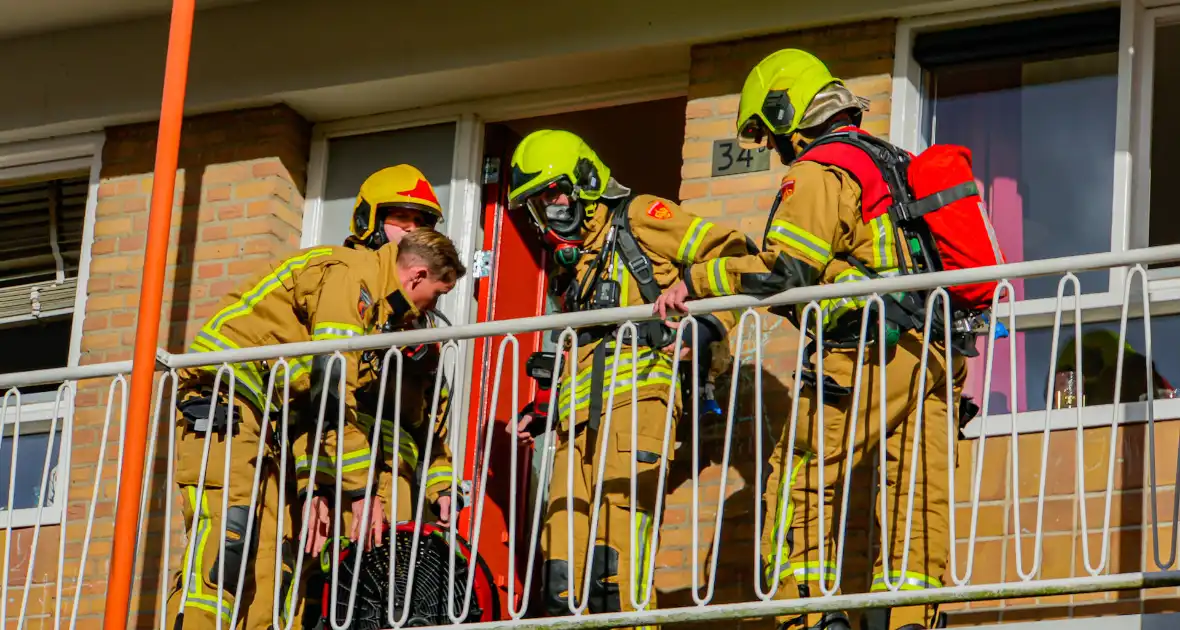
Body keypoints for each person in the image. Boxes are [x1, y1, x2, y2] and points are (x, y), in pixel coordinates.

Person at [654, 49, 977, 630]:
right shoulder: (894, 162)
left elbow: (785, 273)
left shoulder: (820, 170)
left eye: (771, 134)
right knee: (917, 492)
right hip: (934, 353)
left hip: (865, 350)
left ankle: (805, 613)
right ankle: (911, 618)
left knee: (803, 474)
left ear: (786, 112)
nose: (776, 149)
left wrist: (698, 281)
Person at [505, 129, 756, 626]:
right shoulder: (571, 265)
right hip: (573, 424)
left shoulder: (640, 217)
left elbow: (732, 251)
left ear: (584, 180)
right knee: (562, 566)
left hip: (638, 402)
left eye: (552, 192)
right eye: (536, 202)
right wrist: (545, 405)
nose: (548, 208)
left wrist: (706, 323)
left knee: (614, 567)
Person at [167, 227, 464, 630]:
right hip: (225, 392)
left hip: (266, 415)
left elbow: (317, 411)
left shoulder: (375, 311)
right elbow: (333, 385)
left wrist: (315, 489)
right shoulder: (352, 275)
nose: (430, 308)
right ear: (415, 277)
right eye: (438, 293)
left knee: (269, 556)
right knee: (230, 538)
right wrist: (361, 493)